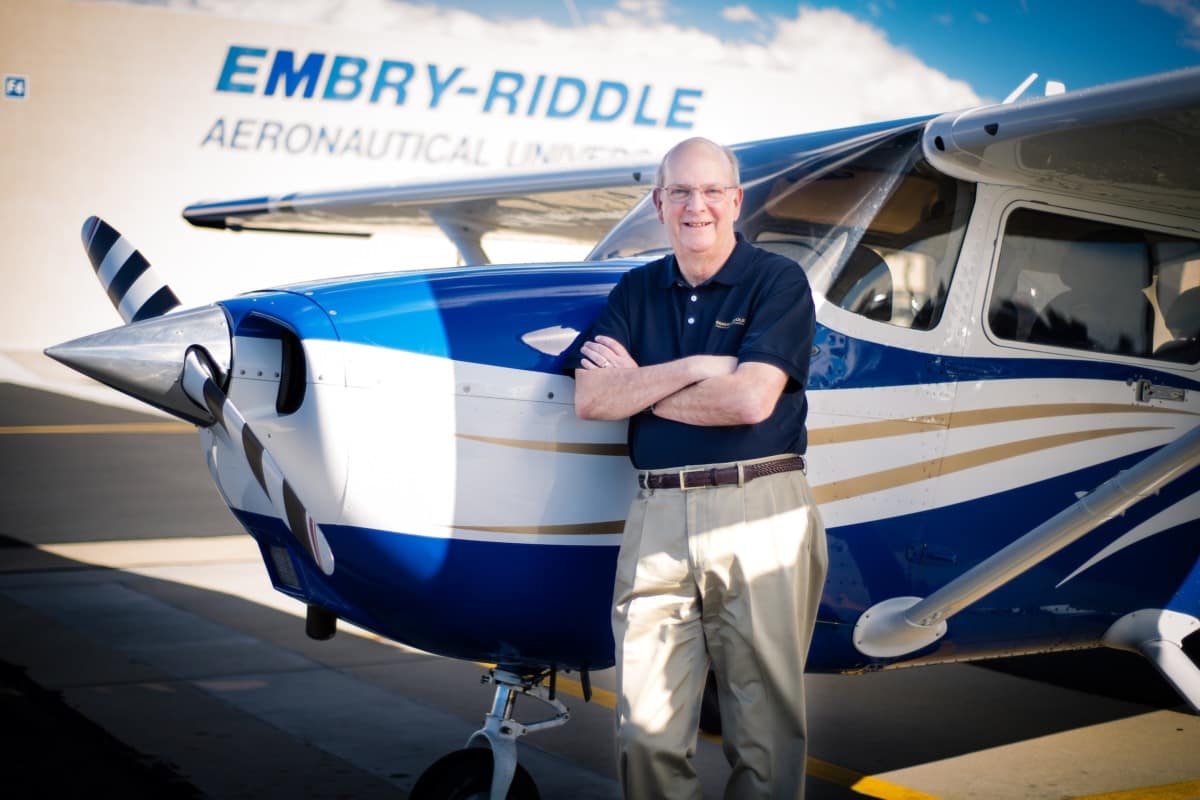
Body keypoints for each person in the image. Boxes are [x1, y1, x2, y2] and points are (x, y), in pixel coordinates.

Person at [566, 137, 828, 799]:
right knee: (643, 732)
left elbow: (749, 399)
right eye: (680, 191)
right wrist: (692, 370)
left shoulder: (778, 281)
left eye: (712, 191)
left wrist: (644, 389)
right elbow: (594, 398)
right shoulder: (635, 289)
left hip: (759, 510)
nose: (696, 206)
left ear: (736, 201)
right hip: (656, 514)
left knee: (764, 738)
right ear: (658, 203)